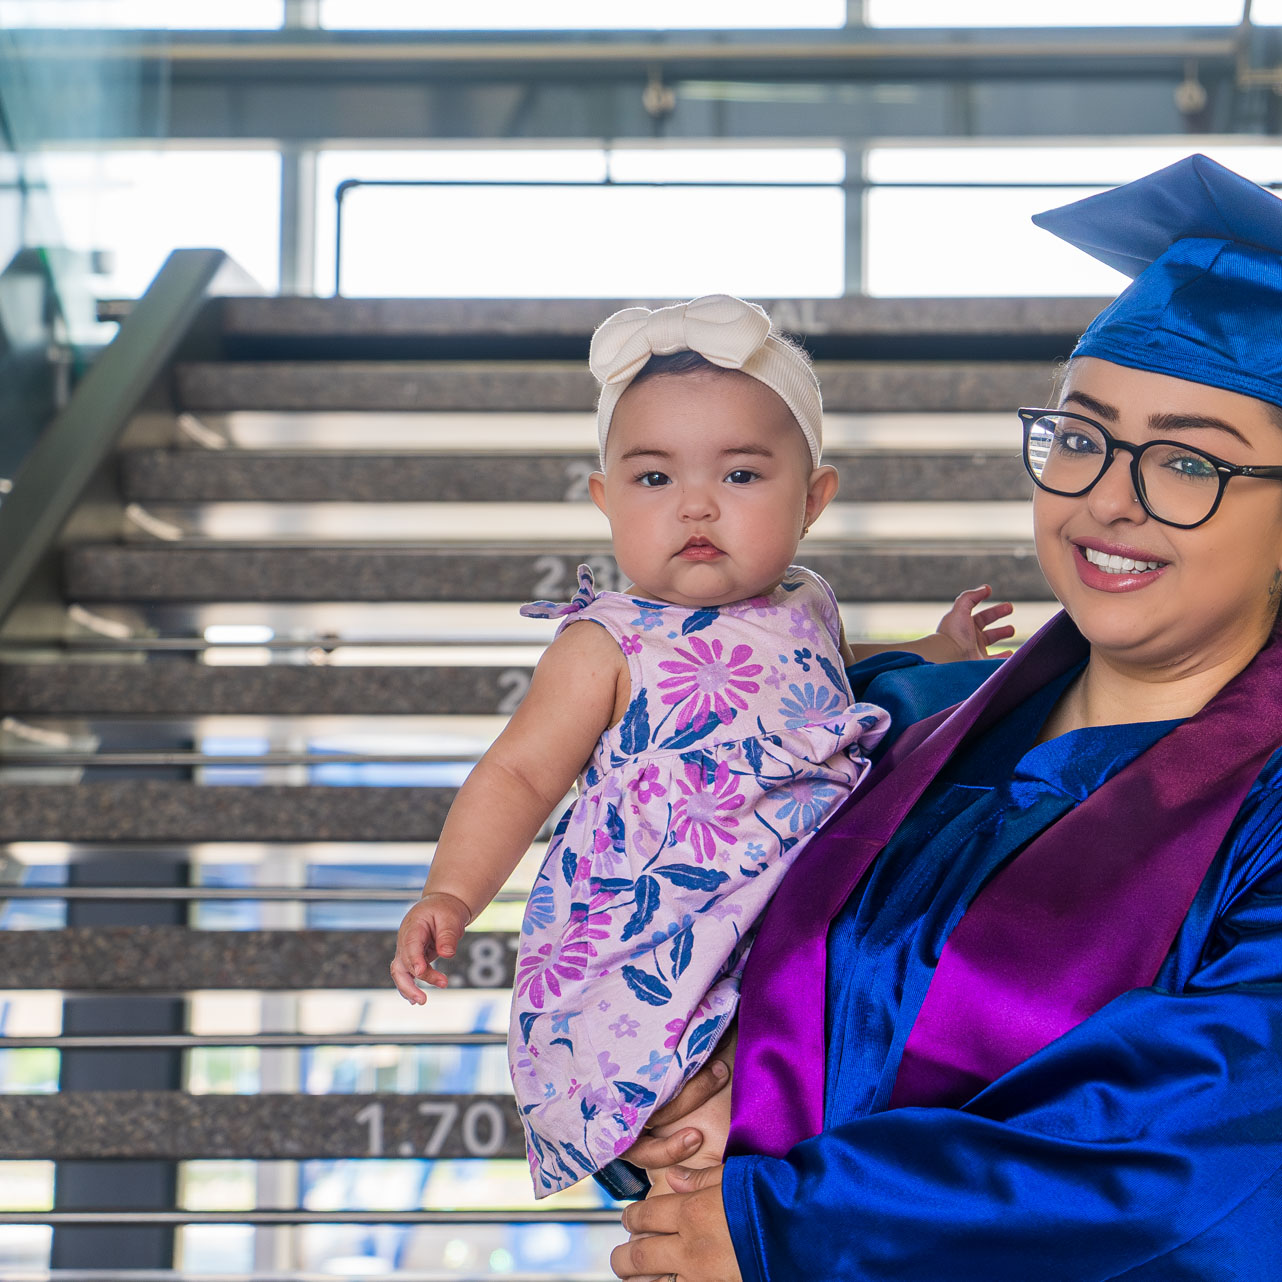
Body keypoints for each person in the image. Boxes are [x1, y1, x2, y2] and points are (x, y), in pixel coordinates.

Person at [608, 154, 1282, 1281]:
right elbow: (654, 920)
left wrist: (791, 1224)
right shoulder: (893, 726)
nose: (1110, 496)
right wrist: (683, 1095)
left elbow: (1234, 1186)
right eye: (1081, 435)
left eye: (1190, 461)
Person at [387, 294, 1014, 1200]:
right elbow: (519, 772)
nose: (696, 505)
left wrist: (943, 650)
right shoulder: (607, 643)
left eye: (742, 477)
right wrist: (452, 890)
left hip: (785, 899)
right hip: (656, 919)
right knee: (681, 1112)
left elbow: (835, 673)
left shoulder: (804, 601)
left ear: (813, 500)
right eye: (653, 480)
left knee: (794, 1076)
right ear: (604, 502)